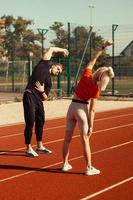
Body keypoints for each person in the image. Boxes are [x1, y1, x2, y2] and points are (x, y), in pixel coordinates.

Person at [62, 40, 114, 175]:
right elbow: (92, 110)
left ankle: (65, 164)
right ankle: (89, 167)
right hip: (81, 109)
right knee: (85, 139)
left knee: (67, 139)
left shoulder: (86, 75)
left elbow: (93, 59)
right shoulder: (96, 90)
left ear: (98, 72)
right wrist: (91, 125)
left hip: (71, 107)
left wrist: (103, 47)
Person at [23, 47, 69, 157]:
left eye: (59, 73)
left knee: (41, 121)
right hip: (29, 95)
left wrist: (43, 91)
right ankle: (28, 148)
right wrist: (62, 50)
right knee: (30, 122)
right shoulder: (43, 65)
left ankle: (39, 146)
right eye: (58, 69)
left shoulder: (49, 82)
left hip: (38, 99)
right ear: (54, 65)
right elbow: (51, 49)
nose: (57, 72)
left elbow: (45, 98)